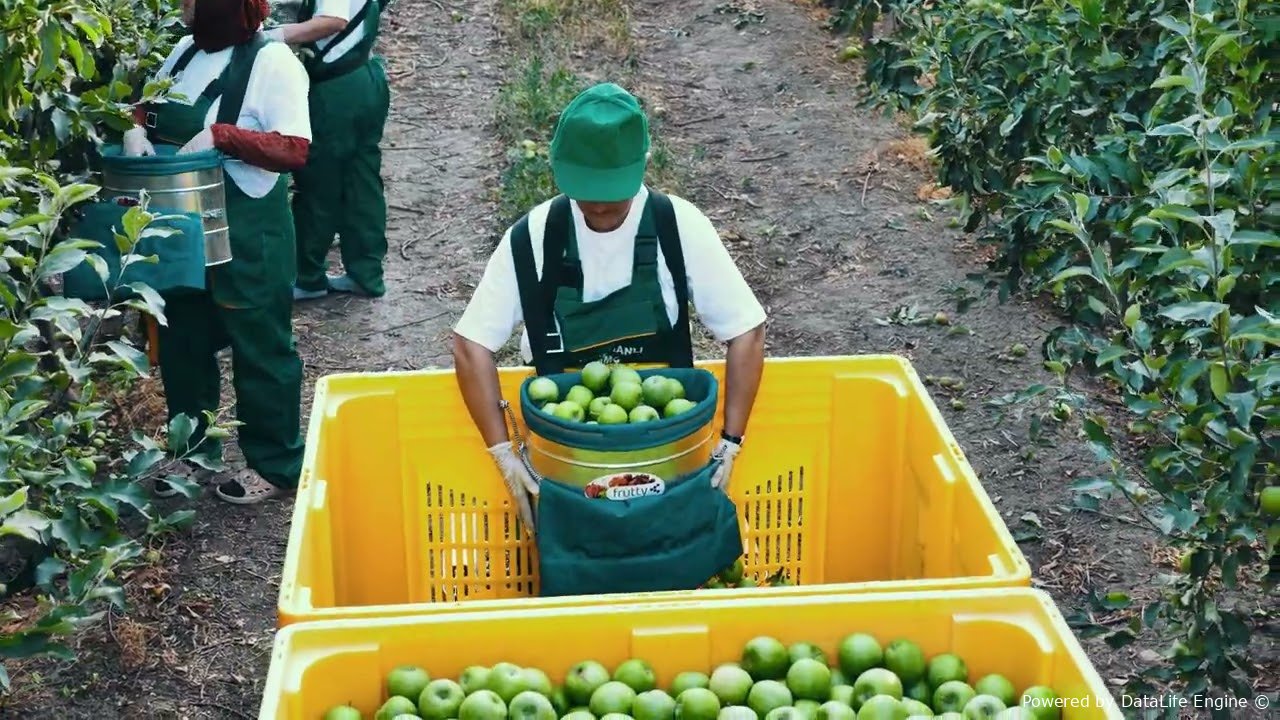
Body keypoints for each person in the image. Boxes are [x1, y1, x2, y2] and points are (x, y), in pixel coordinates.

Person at [451, 82, 768, 538]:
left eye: (612, 193)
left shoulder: (678, 227)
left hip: (665, 448)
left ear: (642, 167)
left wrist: (729, 444)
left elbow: (747, 329)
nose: (599, 206)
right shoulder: (534, 236)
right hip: (564, 455)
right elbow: (471, 345)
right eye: (587, 192)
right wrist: (503, 453)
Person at [120, 0, 310, 504]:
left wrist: (223, 136)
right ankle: (192, 453)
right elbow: (150, 107)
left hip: (248, 233)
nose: (183, 7)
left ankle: (276, 463)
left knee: (260, 346)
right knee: (180, 338)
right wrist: (135, 127)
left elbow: (294, 148)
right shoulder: (184, 53)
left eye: (192, 0)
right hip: (182, 228)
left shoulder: (272, 63)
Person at [265, 0, 391, 300]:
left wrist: (273, 36)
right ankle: (367, 274)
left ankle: (307, 277)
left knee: (318, 182)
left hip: (337, 90)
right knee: (361, 181)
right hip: (364, 75)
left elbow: (332, 20)